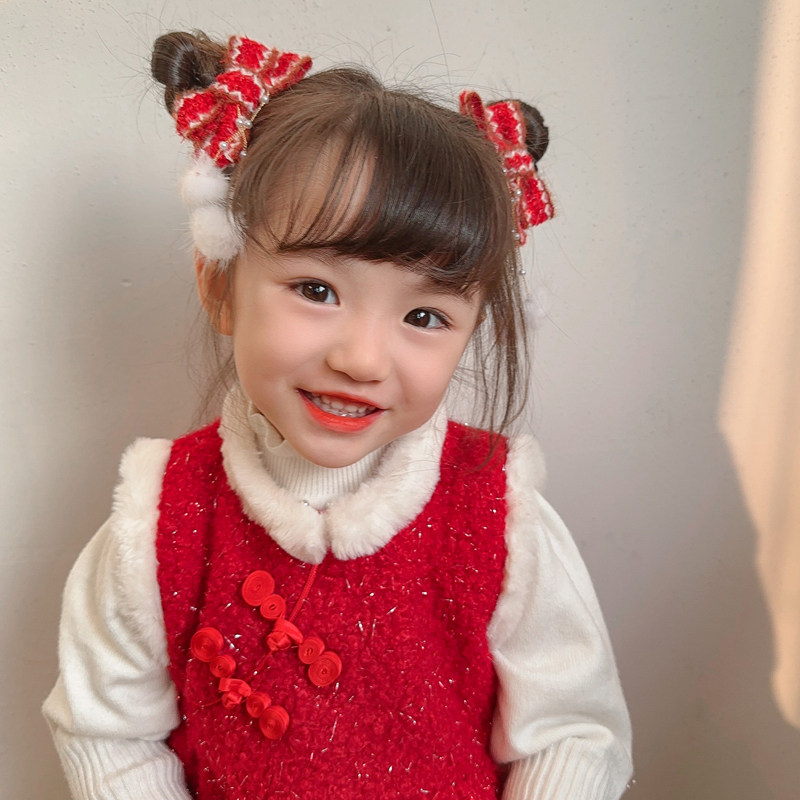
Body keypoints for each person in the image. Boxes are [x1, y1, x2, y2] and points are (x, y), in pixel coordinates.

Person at [43, 30, 633, 800]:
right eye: (317, 290)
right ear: (221, 286)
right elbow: (106, 730)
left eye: (424, 316)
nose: (363, 358)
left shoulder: (499, 513)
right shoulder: (158, 522)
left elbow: (571, 732)